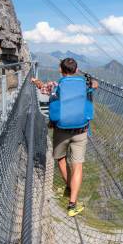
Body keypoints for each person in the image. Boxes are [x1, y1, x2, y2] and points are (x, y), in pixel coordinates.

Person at [31, 57, 98, 217]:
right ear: (76, 70)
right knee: (78, 165)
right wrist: (92, 80)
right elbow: (95, 85)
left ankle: (69, 187)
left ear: (61, 70)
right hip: (81, 131)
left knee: (61, 158)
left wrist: (35, 81)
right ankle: (72, 204)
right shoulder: (85, 85)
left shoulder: (57, 86)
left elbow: (43, 89)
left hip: (61, 130)